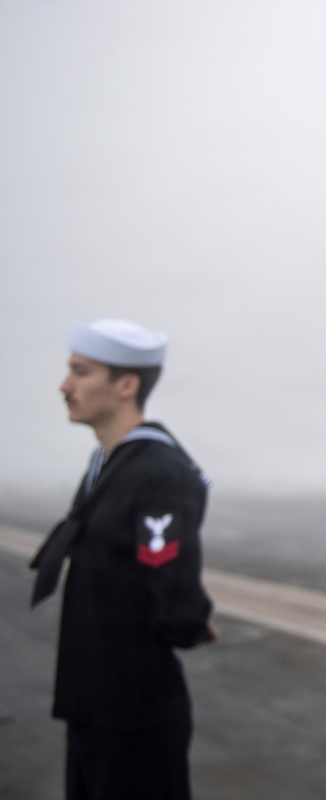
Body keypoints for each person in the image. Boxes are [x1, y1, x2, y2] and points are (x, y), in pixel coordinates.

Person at [30, 318, 217, 800]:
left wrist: (192, 622)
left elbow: (172, 590)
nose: (64, 386)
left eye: (80, 371)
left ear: (126, 384)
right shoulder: (109, 464)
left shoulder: (159, 472)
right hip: (91, 701)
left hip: (133, 711)